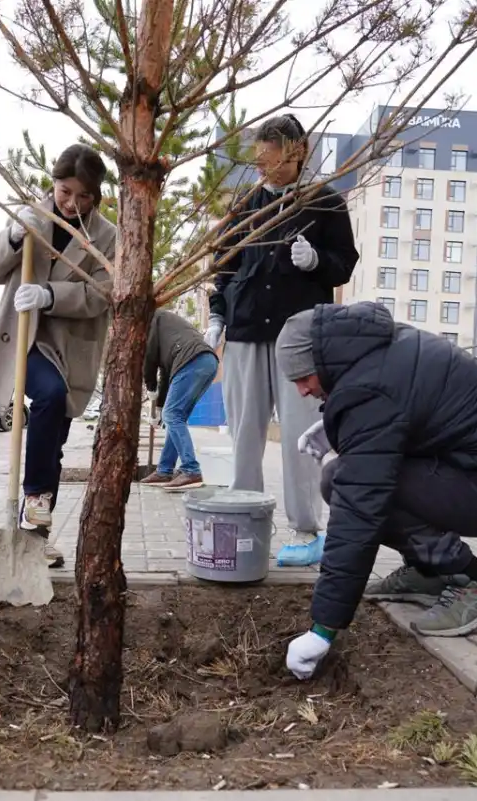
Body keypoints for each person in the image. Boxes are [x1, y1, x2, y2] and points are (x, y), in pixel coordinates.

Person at [271, 303, 477, 680]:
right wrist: (337, 426)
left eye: (304, 376)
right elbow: (412, 415)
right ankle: (428, 571)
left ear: (323, 360)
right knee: (340, 476)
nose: (302, 389)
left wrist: (323, 629)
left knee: (354, 487)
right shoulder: (373, 352)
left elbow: (358, 514)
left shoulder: (370, 389)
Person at [207, 114, 359, 550]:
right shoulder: (244, 206)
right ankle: (244, 522)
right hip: (245, 331)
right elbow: (222, 269)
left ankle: (306, 529)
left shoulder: (326, 203)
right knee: (244, 435)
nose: (261, 169)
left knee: (301, 437)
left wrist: (318, 262)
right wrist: (218, 315)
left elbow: (344, 262)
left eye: (270, 161)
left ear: (296, 154)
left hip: (301, 337)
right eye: (258, 161)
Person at [0, 144, 116, 566]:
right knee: (49, 396)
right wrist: (15, 237)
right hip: (23, 340)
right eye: (65, 191)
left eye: (83, 196)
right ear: (53, 184)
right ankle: (35, 501)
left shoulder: (106, 236)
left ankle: (36, 534)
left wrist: (51, 293)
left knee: (52, 446)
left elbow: (101, 293)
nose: (72, 203)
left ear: (96, 195)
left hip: (69, 346)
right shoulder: (29, 216)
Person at [140, 308, 219, 490]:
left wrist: (150, 387)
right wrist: (159, 406)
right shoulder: (169, 331)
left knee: (173, 415)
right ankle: (165, 470)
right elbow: (167, 375)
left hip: (192, 361)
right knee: (175, 416)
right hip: (206, 362)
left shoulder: (152, 318)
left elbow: (149, 358)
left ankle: (191, 470)